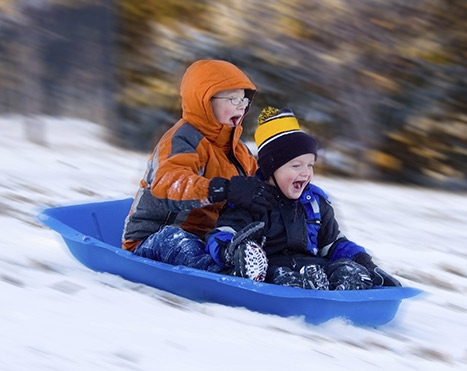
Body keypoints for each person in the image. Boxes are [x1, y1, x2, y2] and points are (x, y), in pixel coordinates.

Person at [205, 107, 402, 290]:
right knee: (280, 275)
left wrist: (363, 262)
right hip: (269, 269)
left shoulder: (315, 202)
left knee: (346, 270)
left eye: (310, 165)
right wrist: (233, 252)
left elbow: (333, 243)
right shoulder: (251, 200)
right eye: (296, 166)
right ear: (272, 168)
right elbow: (221, 234)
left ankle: (347, 286)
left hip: (312, 267)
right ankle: (300, 286)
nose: (306, 173)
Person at [122, 60, 274, 271]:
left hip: (208, 240)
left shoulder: (240, 153)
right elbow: (169, 184)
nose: (242, 105)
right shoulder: (181, 139)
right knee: (178, 242)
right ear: (204, 101)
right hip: (154, 238)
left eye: (244, 100)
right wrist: (223, 189)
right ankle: (226, 274)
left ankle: (259, 268)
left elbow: (258, 188)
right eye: (233, 99)